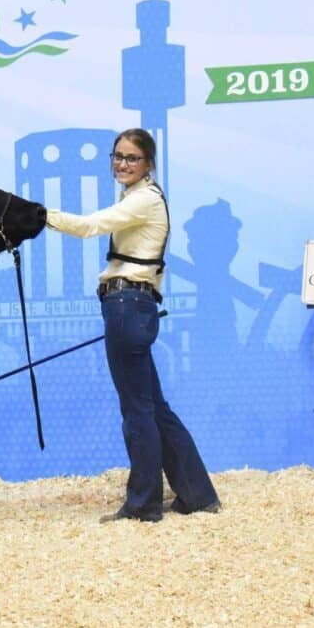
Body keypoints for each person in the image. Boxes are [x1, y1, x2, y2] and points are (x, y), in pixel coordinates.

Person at [46, 128, 220, 523]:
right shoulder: (144, 197)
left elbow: (90, 226)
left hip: (127, 306)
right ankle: (197, 493)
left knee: (137, 410)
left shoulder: (143, 200)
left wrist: (42, 216)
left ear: (149, 164)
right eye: (118, 156)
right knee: (154, 407)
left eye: (132, 158)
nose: (123, 164)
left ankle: (143, 503)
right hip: (135, 305)